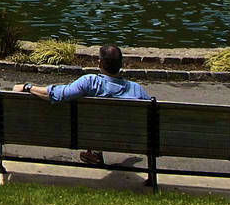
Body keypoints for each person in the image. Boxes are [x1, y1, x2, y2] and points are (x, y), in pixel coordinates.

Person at [14, 43, 152, 164]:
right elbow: (152, 115)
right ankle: (95, 154)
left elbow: (57, 95)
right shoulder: (136, 90)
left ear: (99, 63)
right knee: (105, 122)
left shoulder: (90, 82)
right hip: (128, 140)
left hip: (90, 135)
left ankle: (94, 152)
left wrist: (28, 87)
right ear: (121, 65)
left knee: (97, 122)